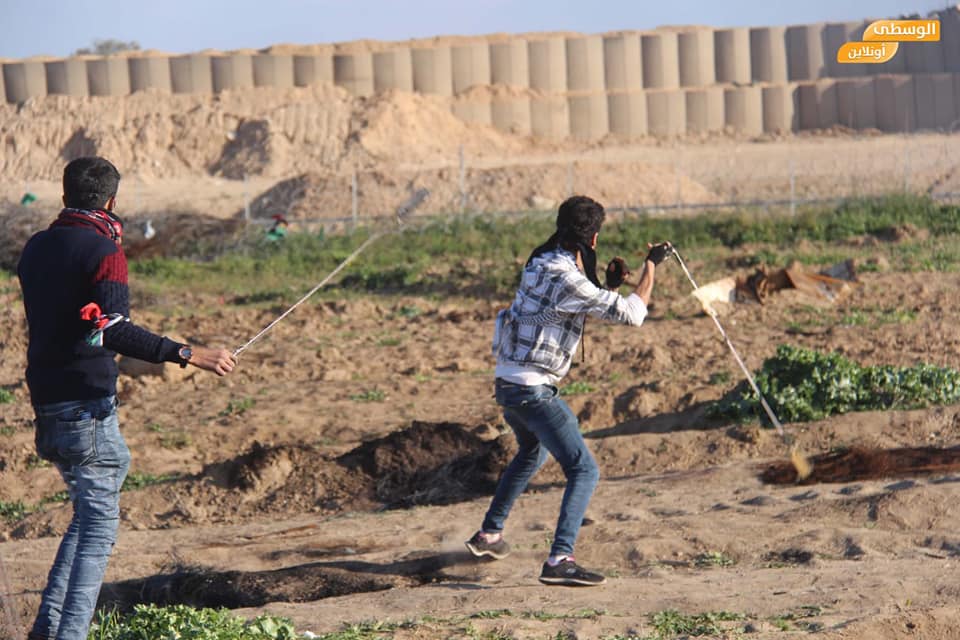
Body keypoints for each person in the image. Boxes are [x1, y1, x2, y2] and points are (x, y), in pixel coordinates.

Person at [17, 157, 238, 640]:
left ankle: (47, 630)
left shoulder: (35, 247)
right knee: (97, 530)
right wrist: (187, 353)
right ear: (112, 201)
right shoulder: (103, 251)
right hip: (85, 406)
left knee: (86, 518)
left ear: (64, 195)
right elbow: (112, 329)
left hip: (47, 404)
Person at [465, 195, 671, 586]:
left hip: (507, 384)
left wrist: (609, 283)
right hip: (532, 390)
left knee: (531, 452)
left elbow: (577, 296)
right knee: (584, 470)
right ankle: (560, 558)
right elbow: (633, 314)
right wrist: (651, 267)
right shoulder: (567, 278)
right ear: (592, 238)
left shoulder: (539, 261)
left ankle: (489, 535)